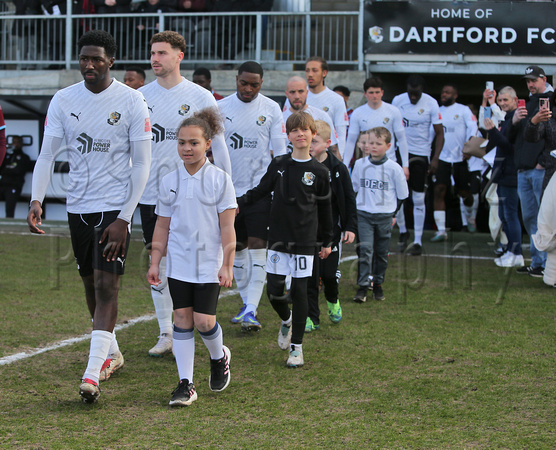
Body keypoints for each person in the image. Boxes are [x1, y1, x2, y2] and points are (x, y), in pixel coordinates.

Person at [27, 30, 152, 403]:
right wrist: (37, 199)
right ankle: (110, 353)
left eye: (96, 59)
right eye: (84, 58)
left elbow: (143, 163)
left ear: (110, 61)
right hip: (76, 208)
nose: (89, 65)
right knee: (88, 283)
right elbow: (47, 155)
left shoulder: (132, 101)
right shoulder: (64, 99)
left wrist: (125, 218)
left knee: (105, 287)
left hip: (114, 209)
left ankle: (91, 373)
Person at [139, 30, 232, 357]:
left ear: (180, 56)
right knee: (158, 262)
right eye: (152, 53)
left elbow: (219, 145)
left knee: (197, 260)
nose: (155, 59)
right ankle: (168, 331)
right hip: (152, 197)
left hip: (197, 198)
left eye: (162, 53)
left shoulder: (200, 95)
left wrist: (227, 193)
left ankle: (201, 322)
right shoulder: (139, 96)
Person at [147, 108, 236, 407]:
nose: (187, 148)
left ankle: (218, 356)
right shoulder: (169, 179)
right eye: (182, 142)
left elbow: (227, 227)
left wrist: (226, 264)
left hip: (209, 262)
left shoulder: (220, 180)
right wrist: (155, 261)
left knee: (203, 320)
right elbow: (162, 224)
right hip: (179, 263)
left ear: (208, 143)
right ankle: (186, 384)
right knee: (181, 319)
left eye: (194, 143)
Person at [237, 111, 333, 367]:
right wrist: (236, 203)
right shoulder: (279, 164)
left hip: (305, 242)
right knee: (275, 291)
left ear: (313, 134)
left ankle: (296, 348)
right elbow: (260, 191)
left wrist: (327, 240)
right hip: (278, 239)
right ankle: (287, 321)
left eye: (305, 130)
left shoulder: (320, 172)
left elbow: (325, 209)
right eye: (294, 130)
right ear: (288, 135)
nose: (300, 134)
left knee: (300, 291)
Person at [217, 61, 287, 331]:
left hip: (259, 192)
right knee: (239, 248)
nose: (248, 88)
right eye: (243, 83)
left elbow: (280, 154)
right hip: (228, 193)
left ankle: (251, 310)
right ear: (236, 79)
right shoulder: (220, 108)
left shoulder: (271, 108)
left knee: (259, 245)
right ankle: (247, 305)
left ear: (262, 83)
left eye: (254, 84)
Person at [305, 120, 356, 332]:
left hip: (330, 233)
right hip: (306, 232)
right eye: (308, 139)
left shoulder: (338, 169)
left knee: (327, 274)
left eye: (314, 141)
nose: (309, 144)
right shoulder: (299, 165)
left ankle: (333, 300)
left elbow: (348, 198)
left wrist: (350, 226)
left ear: (327, 143)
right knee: (309, 277)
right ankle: (311, 318)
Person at [352, 127, 408, 303]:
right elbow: (353, 190)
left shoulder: (394, 169)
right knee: (365, 249)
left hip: (384, 217)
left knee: (381, 253)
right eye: (370, 143)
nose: (373, 146)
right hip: (363, 215)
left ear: (388, 146)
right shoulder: (360, 165)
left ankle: (378, 284)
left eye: (378, 143)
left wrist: (393, 214)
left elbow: (402, 196)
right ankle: (362, 287)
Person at [392, 75, 444, 256]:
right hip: (400, 153)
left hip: (421, 155)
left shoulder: (431, 103)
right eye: (411, 93)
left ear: (422, 90)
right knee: (398, 195)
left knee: (418, 198)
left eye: (417, 94)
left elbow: (440, 133)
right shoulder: (398, 100)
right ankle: (404, 231)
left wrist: (435, 158)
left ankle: (417, 241)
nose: (413, 97)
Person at [510, 65, 550, 277]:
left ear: (543, 79)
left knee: (543, 218)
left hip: (539, 169)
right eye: (528, 81)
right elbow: (511, 136)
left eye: (534, 80)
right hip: (524, 168)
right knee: (529, 218)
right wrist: (514, 120)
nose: (530, 84)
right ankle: (537, 262)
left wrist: (542, 162)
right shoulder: (526, 103)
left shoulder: (551, 99)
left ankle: (545, 263)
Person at [483, 86, 524, 268]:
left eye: (506, 100)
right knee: (503, 214)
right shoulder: (508, 118)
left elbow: (510, 147)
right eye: (500, 100)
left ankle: (516, 254)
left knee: (510, 214)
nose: (502, 103)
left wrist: (493, 131)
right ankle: (510, 251)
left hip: (511, 173)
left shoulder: (518, 119)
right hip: (502, 172)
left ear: (515, 100)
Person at [430, 84, 478, 241]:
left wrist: (469, 148)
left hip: (460, 158)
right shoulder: (437, 111)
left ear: (455, 95)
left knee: (463, 192)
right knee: (439, 190)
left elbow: (473, 128)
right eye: (443, 92)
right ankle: (441, 231)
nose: (444, 94)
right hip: (442, 158)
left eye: (447, 92)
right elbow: (432, 134)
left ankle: (470, 216)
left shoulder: (463, 110)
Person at [343, 76, 409, 179]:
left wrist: (405, 165)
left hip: (388, 162)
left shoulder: (393, 111)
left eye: (377, 92)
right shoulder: (358, 113)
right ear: (365, 94)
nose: (374, 96)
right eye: (371, 92)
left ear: (382, 92)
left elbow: (401, 139)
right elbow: (351, 141)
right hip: (366, 163)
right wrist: (345, 164)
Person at [283, 56, 348, 159]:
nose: (310, 74)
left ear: (324, 73)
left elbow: (340, 132)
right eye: (307, 70)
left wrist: (340, 159)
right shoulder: (294, 98)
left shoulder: (336, 99)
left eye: (314, 70)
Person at [283, 75, 339, 154]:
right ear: (287, 94)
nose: (297, 96)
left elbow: (333, 148)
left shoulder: (322, 116)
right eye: (292, 92)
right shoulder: (280, 119)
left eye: (300, 91)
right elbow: (273, 151)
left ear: (307, 92)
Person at [0, 136, 32, 218]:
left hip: (13, 185)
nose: (16, 144)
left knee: (9, 208)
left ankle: (9, 226)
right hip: (2, 184)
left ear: (21, 144)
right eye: (14, 142)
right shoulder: (7, 156)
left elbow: (18, 171)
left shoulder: (25, 157)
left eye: (18, 142)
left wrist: (8, 170)